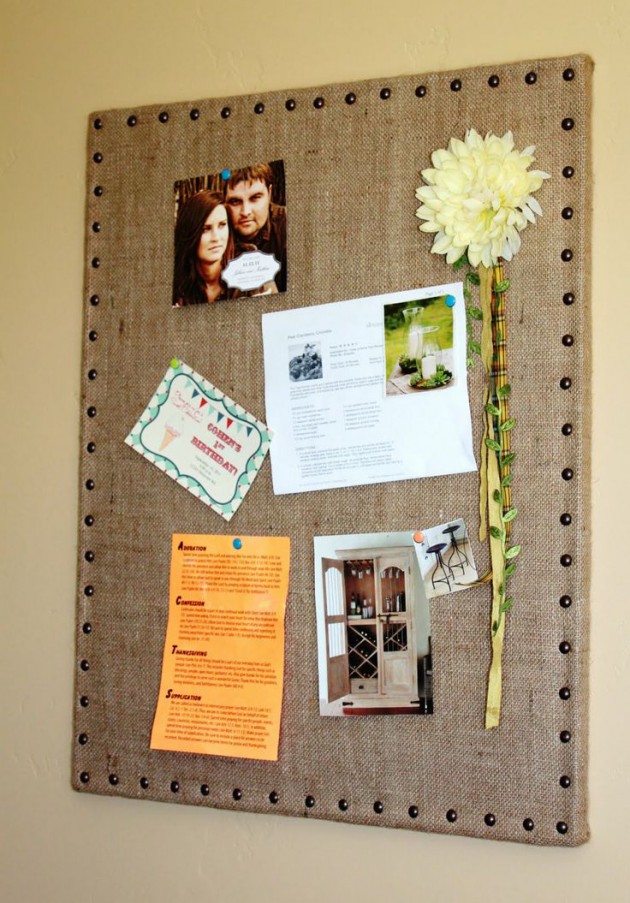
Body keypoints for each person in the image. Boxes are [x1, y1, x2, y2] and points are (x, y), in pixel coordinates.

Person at [172, 190, 275, 305]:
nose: (216, 237)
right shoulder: (176, 280)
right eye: (205, 229)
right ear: (191, 233)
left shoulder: (253, 267)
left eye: (222, 225)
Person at [224, 164, 287, 292]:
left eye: (255, 198)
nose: (245, 212)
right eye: (235, 201)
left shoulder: (288, 224)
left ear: (269, 193)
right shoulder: (216, 230)